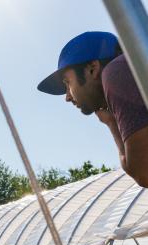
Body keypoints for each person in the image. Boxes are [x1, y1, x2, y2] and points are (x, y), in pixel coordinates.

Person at [38, 31, 148, 188]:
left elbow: (143, 173)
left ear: (92, 68)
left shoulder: (116, 71)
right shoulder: (132, 69)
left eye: (67, 83)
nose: (67, 97)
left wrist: (112, 125)